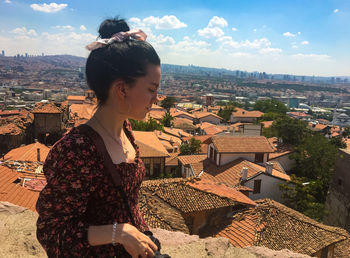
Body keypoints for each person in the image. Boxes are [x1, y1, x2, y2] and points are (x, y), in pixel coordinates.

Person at [36, 17, 161, 258]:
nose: (156, 99)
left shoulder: (124, 129)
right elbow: (52, 232)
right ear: (121, 89)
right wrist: (119, 233)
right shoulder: (76, 151)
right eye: (151, 89)